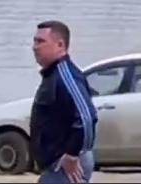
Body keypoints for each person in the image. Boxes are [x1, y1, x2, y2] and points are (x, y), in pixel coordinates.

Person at [31, 20, 97, 183]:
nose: (34, 47)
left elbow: (86, 117)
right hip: (55, 165)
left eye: (41, 42)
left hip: (65, 166)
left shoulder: (65, 75)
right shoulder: (53, 76)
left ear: (60, 45)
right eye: (34, 41)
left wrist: (73, 155)